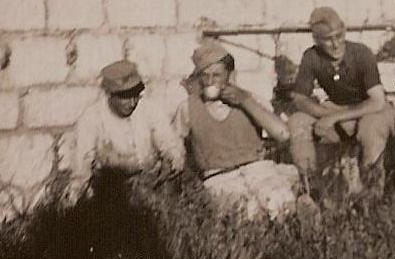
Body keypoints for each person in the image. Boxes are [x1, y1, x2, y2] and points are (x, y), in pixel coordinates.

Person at [179, 39, 301, 219]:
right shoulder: (188, 107)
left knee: (278, 199)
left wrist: (245, 101)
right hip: (219, 177)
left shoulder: (249, 99)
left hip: (258, 170)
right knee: (244, 211)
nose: (210, 82)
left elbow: (282, 134)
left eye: (217, 75)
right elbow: (176, 148)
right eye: (205, 76)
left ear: (230, 75)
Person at [287, 6, 395, 192]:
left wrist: (335, 117)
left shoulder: (361, 53)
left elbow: (377, 100)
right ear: (316, 39)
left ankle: (372, 193)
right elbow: (299, 99)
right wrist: (324, 113)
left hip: (370, 109)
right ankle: (310, 189)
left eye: (339, 36)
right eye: (328, 40)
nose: (336, 44)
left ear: (344, 30)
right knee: (297, 122)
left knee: (370, 130)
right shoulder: (311, 57)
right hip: (337, 110)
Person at [66, 60, 186, 203]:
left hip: (151, 185)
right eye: (125, 97)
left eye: (135, 95)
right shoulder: (92, 118)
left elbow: (170, 143)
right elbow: (82, 165)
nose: (132, 102)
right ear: (110, 94)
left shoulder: (150, 109)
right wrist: (75, 197)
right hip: (110, 191)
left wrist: (172, 160)